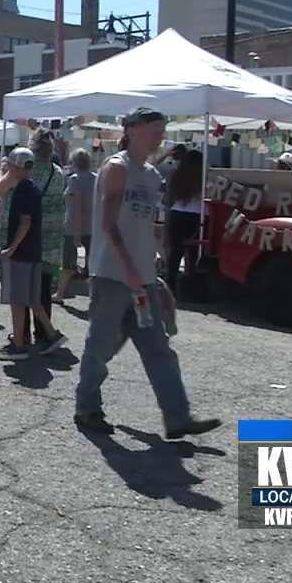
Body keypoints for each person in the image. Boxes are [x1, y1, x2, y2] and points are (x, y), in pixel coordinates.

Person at [74, 107, 221, 439]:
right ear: (132, 130)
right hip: (112, 275)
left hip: (142, 279)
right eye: (155, 128)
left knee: (159, 348)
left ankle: (178, 417)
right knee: (99, 346)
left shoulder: (153, 176)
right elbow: (110, 225)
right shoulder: (116, 168)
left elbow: (148, 226)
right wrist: (129, 268)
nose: (160, 135)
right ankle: (87, 407)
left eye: (163, 129)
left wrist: (157, 265)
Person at [0, 147, 66, 360]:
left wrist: (11, 248)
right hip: (34, 251)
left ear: (15, 167)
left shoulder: (23, 190)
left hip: (22, 253)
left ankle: (18, 345)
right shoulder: (32, 188)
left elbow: (25, 222)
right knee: (34, 298)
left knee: (18, 300)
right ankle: (51, 335)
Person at [163, 149, 205, 294]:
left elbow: (156, 166)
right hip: (198, 214)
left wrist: (166, 153)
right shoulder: (205, 176)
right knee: (193, 253)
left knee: (175, 253)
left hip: (177, 212)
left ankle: (171, 286)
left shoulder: (176, 174)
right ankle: (190, 286)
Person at [57, 148, 95, 300]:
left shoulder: (74, 179)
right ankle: (95, 295)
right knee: (92, 265)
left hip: (73, 227)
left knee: (67, 264)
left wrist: (77, 232)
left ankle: (61, 293)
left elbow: (78, 205)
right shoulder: (96, 178)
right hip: (93, 227)